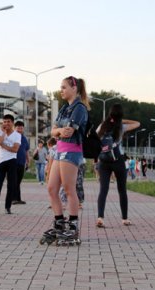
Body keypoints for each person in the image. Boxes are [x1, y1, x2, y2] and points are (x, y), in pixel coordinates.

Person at [42, 75, 89, 246]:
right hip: (59, 150)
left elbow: (68, 132)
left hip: (71, 151)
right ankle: (59, 224)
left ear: (74, 88)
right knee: (52, 188)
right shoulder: (64, 109)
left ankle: (73, 226)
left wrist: (59, 131)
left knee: (69, 189)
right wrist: (59, 130)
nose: (61, 90)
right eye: (60, 87)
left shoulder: (79, 108)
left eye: (64, 87)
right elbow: (53, 131)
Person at [95, 103, 140, 228]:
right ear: (120, 115)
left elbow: (95, 139)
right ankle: (124, 219)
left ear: (110, 114)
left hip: (103, 160)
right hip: (118, 160)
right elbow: (137, 124)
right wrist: (121, 120)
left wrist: (110, 119)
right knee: (122, 190)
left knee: (103, 190)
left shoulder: (102, 126)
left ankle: (100, 217)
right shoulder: (121, 126)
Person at [12, 120, 30, 205]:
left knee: (18, 181)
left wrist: (28, 161)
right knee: (14, 181)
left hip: (22, 162)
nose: (19, 129)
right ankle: (13, 199)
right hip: (13, 162)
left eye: (21, 127)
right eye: (18, 127)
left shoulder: (24, 138)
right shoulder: (12, 136)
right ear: (15, 128)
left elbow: (26, 151)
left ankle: (18, 199)